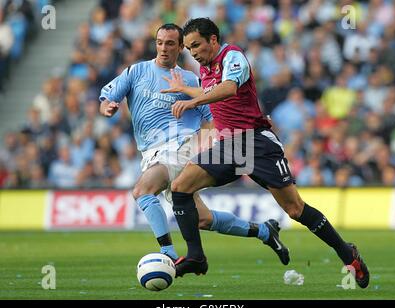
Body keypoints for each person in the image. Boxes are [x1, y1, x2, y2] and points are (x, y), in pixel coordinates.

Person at [162, 18, 369, 288]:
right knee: (179, 187)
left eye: (197, 46)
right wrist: (185, 89)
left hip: (257, 143)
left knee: (295, 209)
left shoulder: (232, 55)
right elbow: (210, 90)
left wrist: (193, 101)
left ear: (213, 39)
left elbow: (229, 88)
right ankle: (196, 257)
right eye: (189, 49)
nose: (193, 53)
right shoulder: (206, 68)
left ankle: (346, 252)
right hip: (228, 144)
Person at [99, 23, 289, 263]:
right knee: (202, 219)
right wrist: (108, 107)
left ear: (181, 48)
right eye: (159, 43)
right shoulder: (136, 72)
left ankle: (167, 253)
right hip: (151, 153)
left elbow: (214, 118)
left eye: (170, 43)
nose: (163, 48)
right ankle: (264, 232)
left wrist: (208, 146)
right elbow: (107, 97)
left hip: (181, 147)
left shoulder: (191, 81)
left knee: (142, 191)